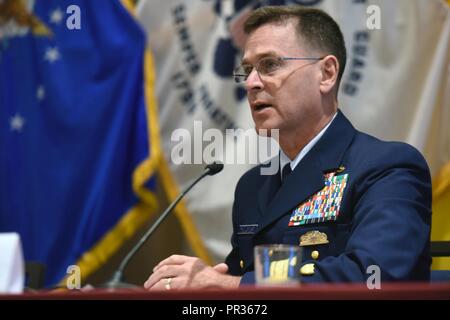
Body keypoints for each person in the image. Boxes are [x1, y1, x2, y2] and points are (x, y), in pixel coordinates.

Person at [144, 5, 431, 290]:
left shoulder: (386, 167)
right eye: (247, 70)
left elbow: (375, 277)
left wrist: (224, 285)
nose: (252, 83)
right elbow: (239, 282)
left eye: (270, 65)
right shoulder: (254, 185)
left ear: (327, 74)